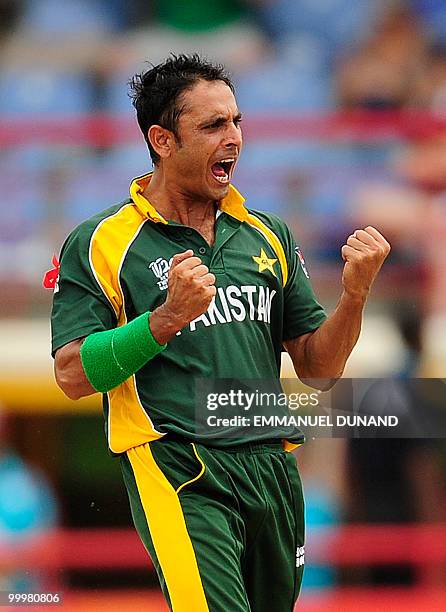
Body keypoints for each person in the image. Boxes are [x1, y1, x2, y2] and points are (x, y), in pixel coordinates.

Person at [49, 54, 390, 611]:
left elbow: (319, 370)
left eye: (237, 122)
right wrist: (162, 320)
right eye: (212, 126)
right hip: (178, 463)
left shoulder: (267, 232)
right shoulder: (102, 241)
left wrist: (354, 295)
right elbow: (71, 375)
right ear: (161, 140)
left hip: (271, 464)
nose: (233, 138)